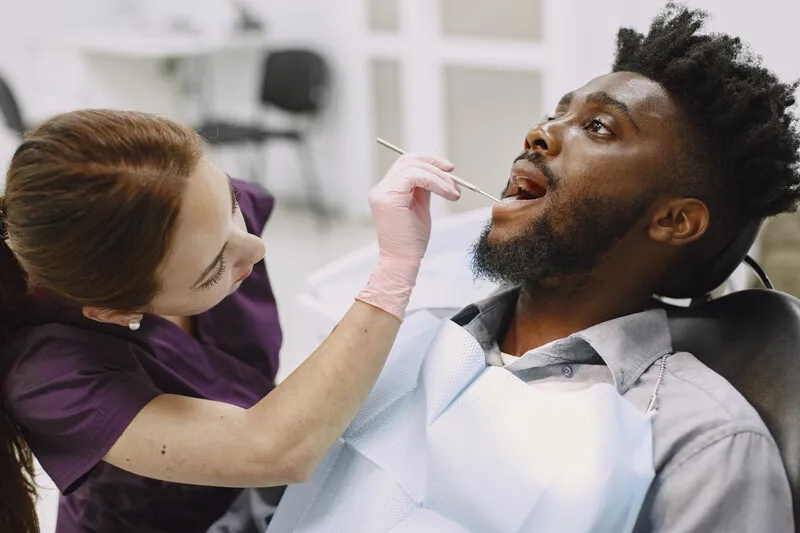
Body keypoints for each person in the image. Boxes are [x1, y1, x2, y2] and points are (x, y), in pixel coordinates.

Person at [268, 4, 798, 532]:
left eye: (598, 127)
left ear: (674, 220)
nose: (539, 133)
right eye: (556, 113)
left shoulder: (699, 442)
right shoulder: (399, 344)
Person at [0, 109, 461, 532]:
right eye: (213, 268)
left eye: (232, 201)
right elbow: (272, 448)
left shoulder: (189, 208)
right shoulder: (51, 376)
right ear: (114, 312)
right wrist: (394, 271)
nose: (252, 249)